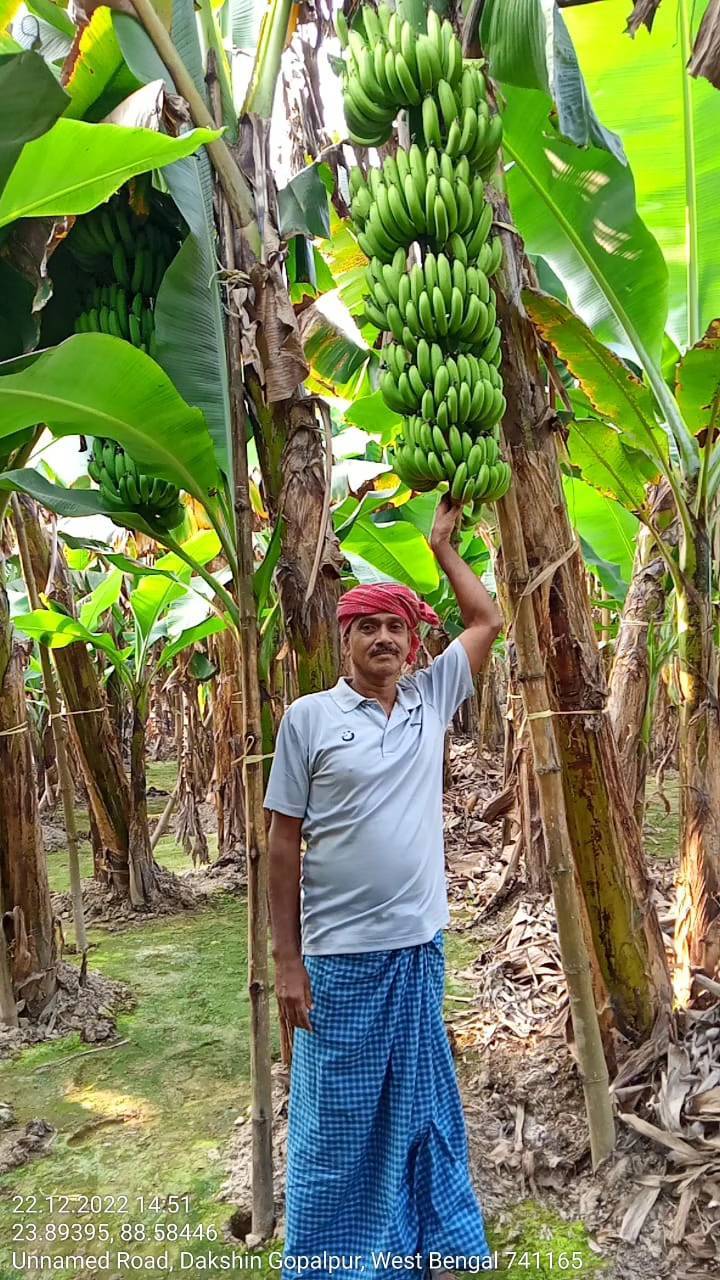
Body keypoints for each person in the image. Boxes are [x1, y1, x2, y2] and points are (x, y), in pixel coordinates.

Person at [264, 495, 503, 1280]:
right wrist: (287, 962)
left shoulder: (431, 702)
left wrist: (442, 548)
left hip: (416, 952)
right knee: (336, 1128)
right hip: (338, 960)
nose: (385, 638)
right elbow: (282, 841)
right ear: (345, 639)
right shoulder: (307, 720)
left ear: (412, 642)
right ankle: (335, 1261)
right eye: (368, 626)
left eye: (397, 627)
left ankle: (419, 1248)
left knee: (420, 1116)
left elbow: (487, 620)